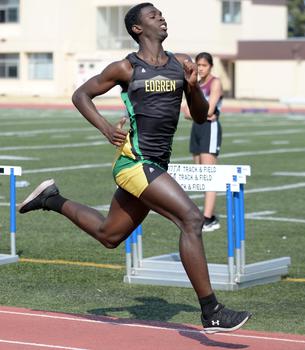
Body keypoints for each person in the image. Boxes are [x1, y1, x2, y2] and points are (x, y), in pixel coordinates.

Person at [18, 3, 251, 333]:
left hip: (156, 163)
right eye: (153, 15)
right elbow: (81, 94)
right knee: (191, 219)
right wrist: (104, 128)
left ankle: (51, 199)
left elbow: (200, 116)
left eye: (161, 13)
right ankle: (211, 310)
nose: (161, 16)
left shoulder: (180, 64)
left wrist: (193, 86)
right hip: (134, 163)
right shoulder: (126, 68)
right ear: (137, 28)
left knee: (109, 235)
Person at [184, 52, 223, 232]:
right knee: (199, 175)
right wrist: (197, 113)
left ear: (210, 66)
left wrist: (197, 112)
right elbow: (185, 111)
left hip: (210, 129)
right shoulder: (195, 84)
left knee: (208, 175)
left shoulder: (215, 83)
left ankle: (209, 218)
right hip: (197, 128)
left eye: (204, 65)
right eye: (198, 65)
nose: (200, 68)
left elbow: (210, 110)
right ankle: (208, 215)